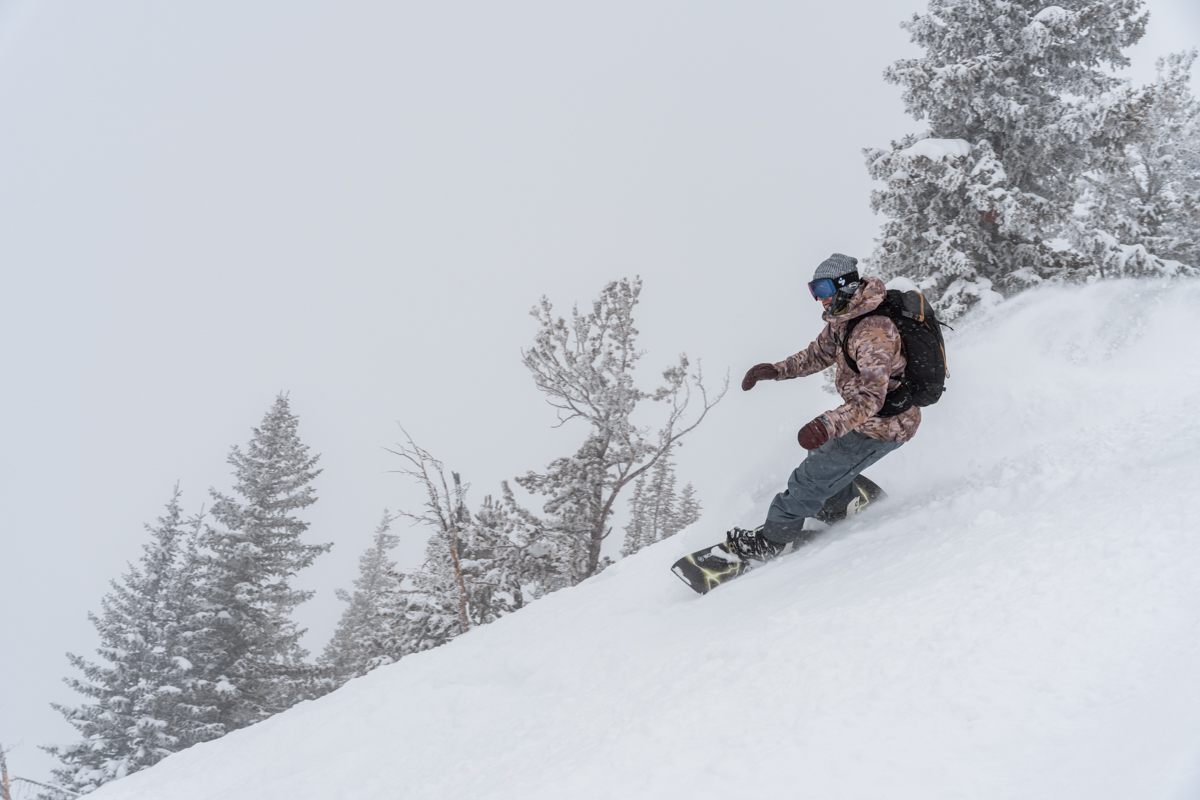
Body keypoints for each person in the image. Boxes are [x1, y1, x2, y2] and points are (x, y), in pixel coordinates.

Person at [729, 253, 920, 561]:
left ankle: (773, 541)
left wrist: (827, 425)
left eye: (822, 289)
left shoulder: (873, 332)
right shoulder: (845, 319)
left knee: (808, 479)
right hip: (866, 419)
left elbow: (872, 397)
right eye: (813, 290)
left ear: (845, 286)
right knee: (822, 458)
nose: (818, 299)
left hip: (885, 425)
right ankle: (839, 503)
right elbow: (817, 355)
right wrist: (777, 370)